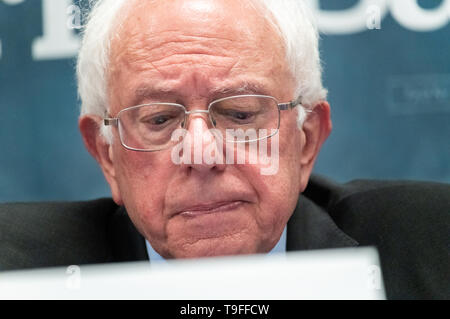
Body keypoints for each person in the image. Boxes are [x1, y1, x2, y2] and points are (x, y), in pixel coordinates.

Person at [0, 0, 448, 299]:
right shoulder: (15, 272)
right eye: (159, 119)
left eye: (239, 114)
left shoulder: (432, 247)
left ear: (307, 140)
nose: (200, 152)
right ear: (108, 156)